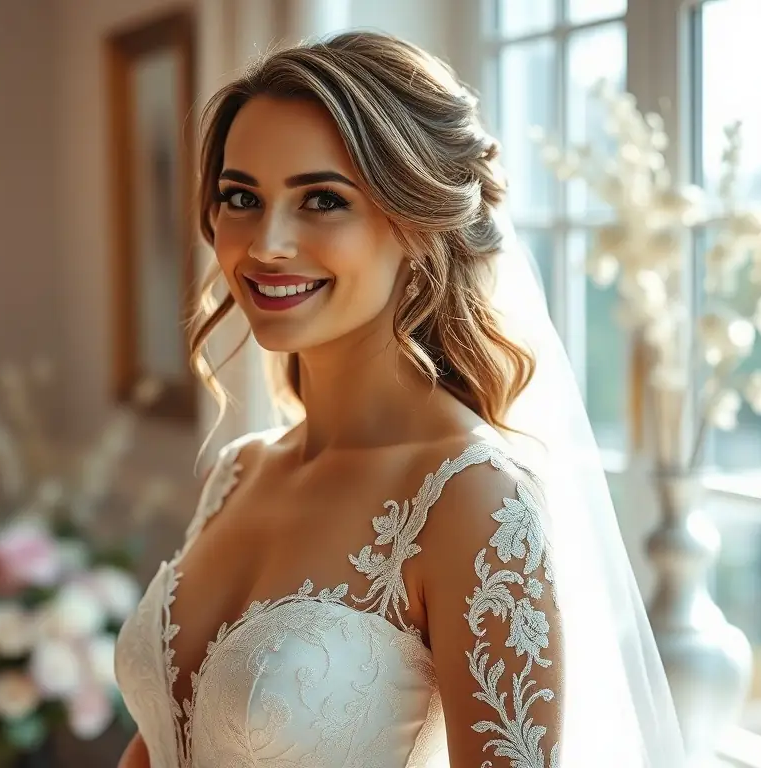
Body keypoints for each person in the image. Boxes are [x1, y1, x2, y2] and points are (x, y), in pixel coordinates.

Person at [115, 30, 685, 768]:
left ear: (416, 223)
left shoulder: (473, 499)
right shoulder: (238, 471)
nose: (266, 245)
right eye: (242, 198)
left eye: (323, 200)